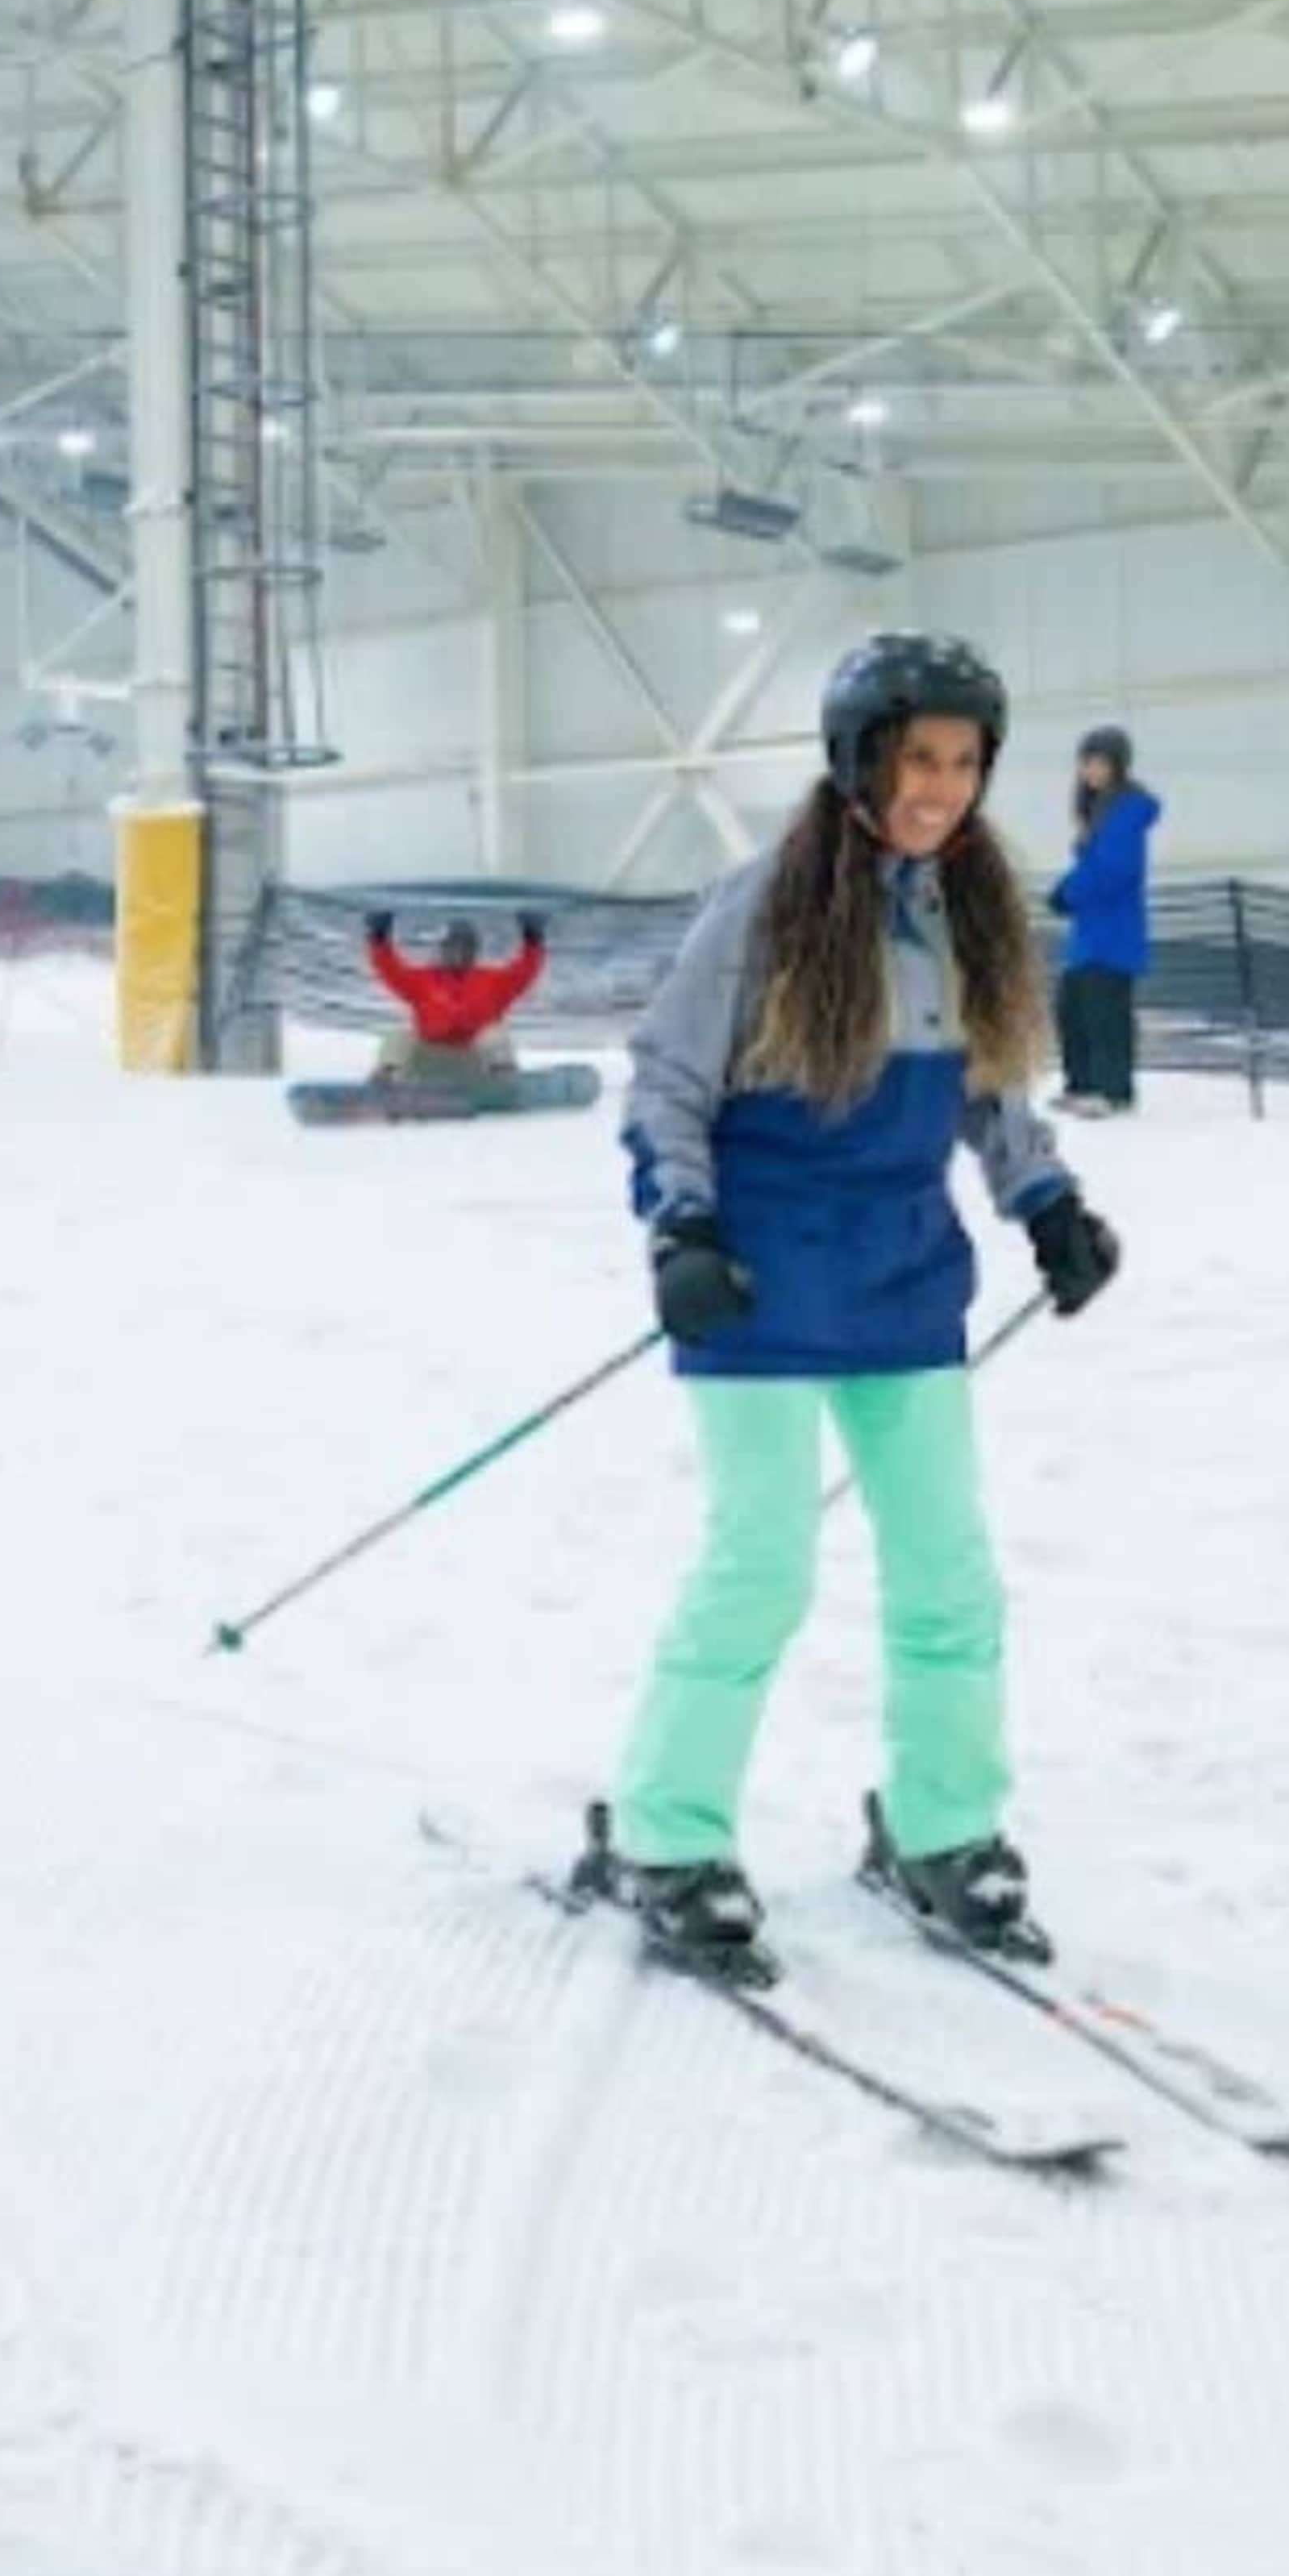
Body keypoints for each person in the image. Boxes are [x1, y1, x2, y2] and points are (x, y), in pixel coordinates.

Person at [588, 629, 1120, 1987]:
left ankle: (944, 1830)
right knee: (762, 1565)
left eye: (961, 761)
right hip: (759, 1280)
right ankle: (666, 1835)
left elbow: (992, 1094)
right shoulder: (767, 903)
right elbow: (666, 1083)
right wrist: (683, 1230)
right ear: (856, 759)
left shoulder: (977, 911)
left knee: (950, 1574)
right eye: (915, 757)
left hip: (899, 1278)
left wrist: (1047, 1205)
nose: (940, 786)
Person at [1051, 724, 1162, 1115]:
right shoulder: (1097, 809)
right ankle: (1081, 1083)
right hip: (1089, 931)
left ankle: (1113, 1090)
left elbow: (1115, 869)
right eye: (1086, 763)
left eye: (1100, 762)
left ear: (1118, 765)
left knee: (1105, 1013)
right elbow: (1093, 865)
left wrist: (1069, 892)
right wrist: (1067, 889)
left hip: (1113, 931)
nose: (1091, 771)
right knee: (1072, 1007)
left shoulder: (1127, 810)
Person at [361, 904, 549, 1076]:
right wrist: (379, 937)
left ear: (474, 951)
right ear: (442, 949)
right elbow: (389, 969)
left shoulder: (494, 982)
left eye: (465, 946)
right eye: (453, 946)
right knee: (399, 1037)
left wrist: (533, 937)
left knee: (496, 1036)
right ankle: (385, 1083)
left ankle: (505, 1082)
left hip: (475, 1064)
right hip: (430, 1060)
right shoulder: (421, 981)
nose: (459, 953)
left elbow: (526, 970)